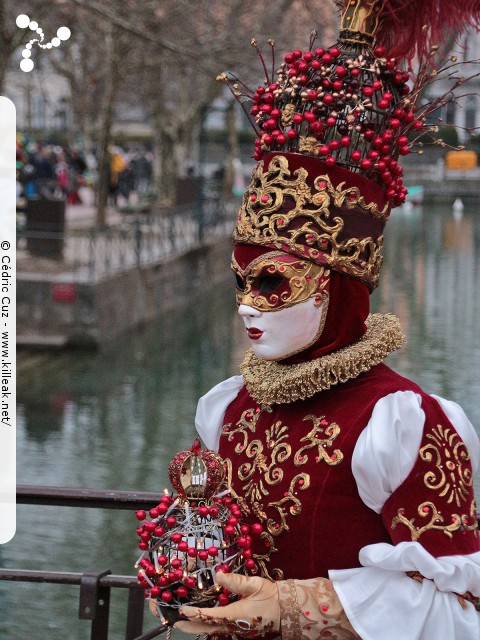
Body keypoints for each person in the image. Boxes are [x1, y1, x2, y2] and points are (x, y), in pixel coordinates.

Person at [170, 1, 480, 637]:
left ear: (336, 290)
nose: (246, 304)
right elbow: (213, 535)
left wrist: (295, 607)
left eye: (273, 282)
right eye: (240, 281)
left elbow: (458, 610)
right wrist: (185, 578)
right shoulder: (227, 409)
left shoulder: (403, 427)